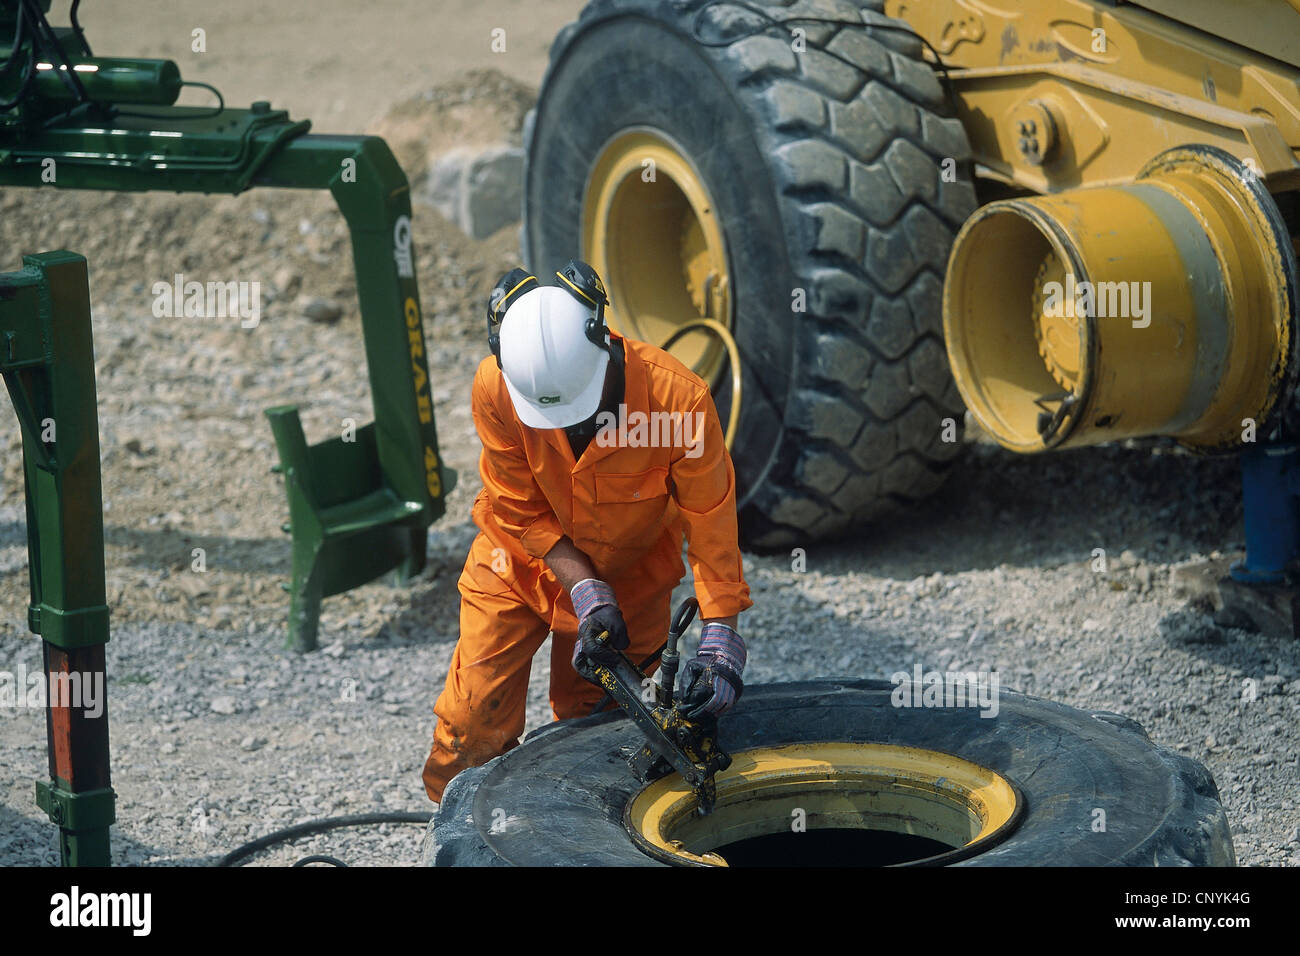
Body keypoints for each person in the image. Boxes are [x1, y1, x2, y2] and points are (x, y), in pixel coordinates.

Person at [421, 259, 752, 802]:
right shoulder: (496, 386)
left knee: (600, 730)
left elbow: (711, 522)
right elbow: (519, 509)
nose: (570, 428)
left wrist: (721, 637)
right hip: (516, 566)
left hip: (634, 576)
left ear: (602, 349)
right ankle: (457, 837)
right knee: (473, 718)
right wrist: (582, 585)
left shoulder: (678, 401)